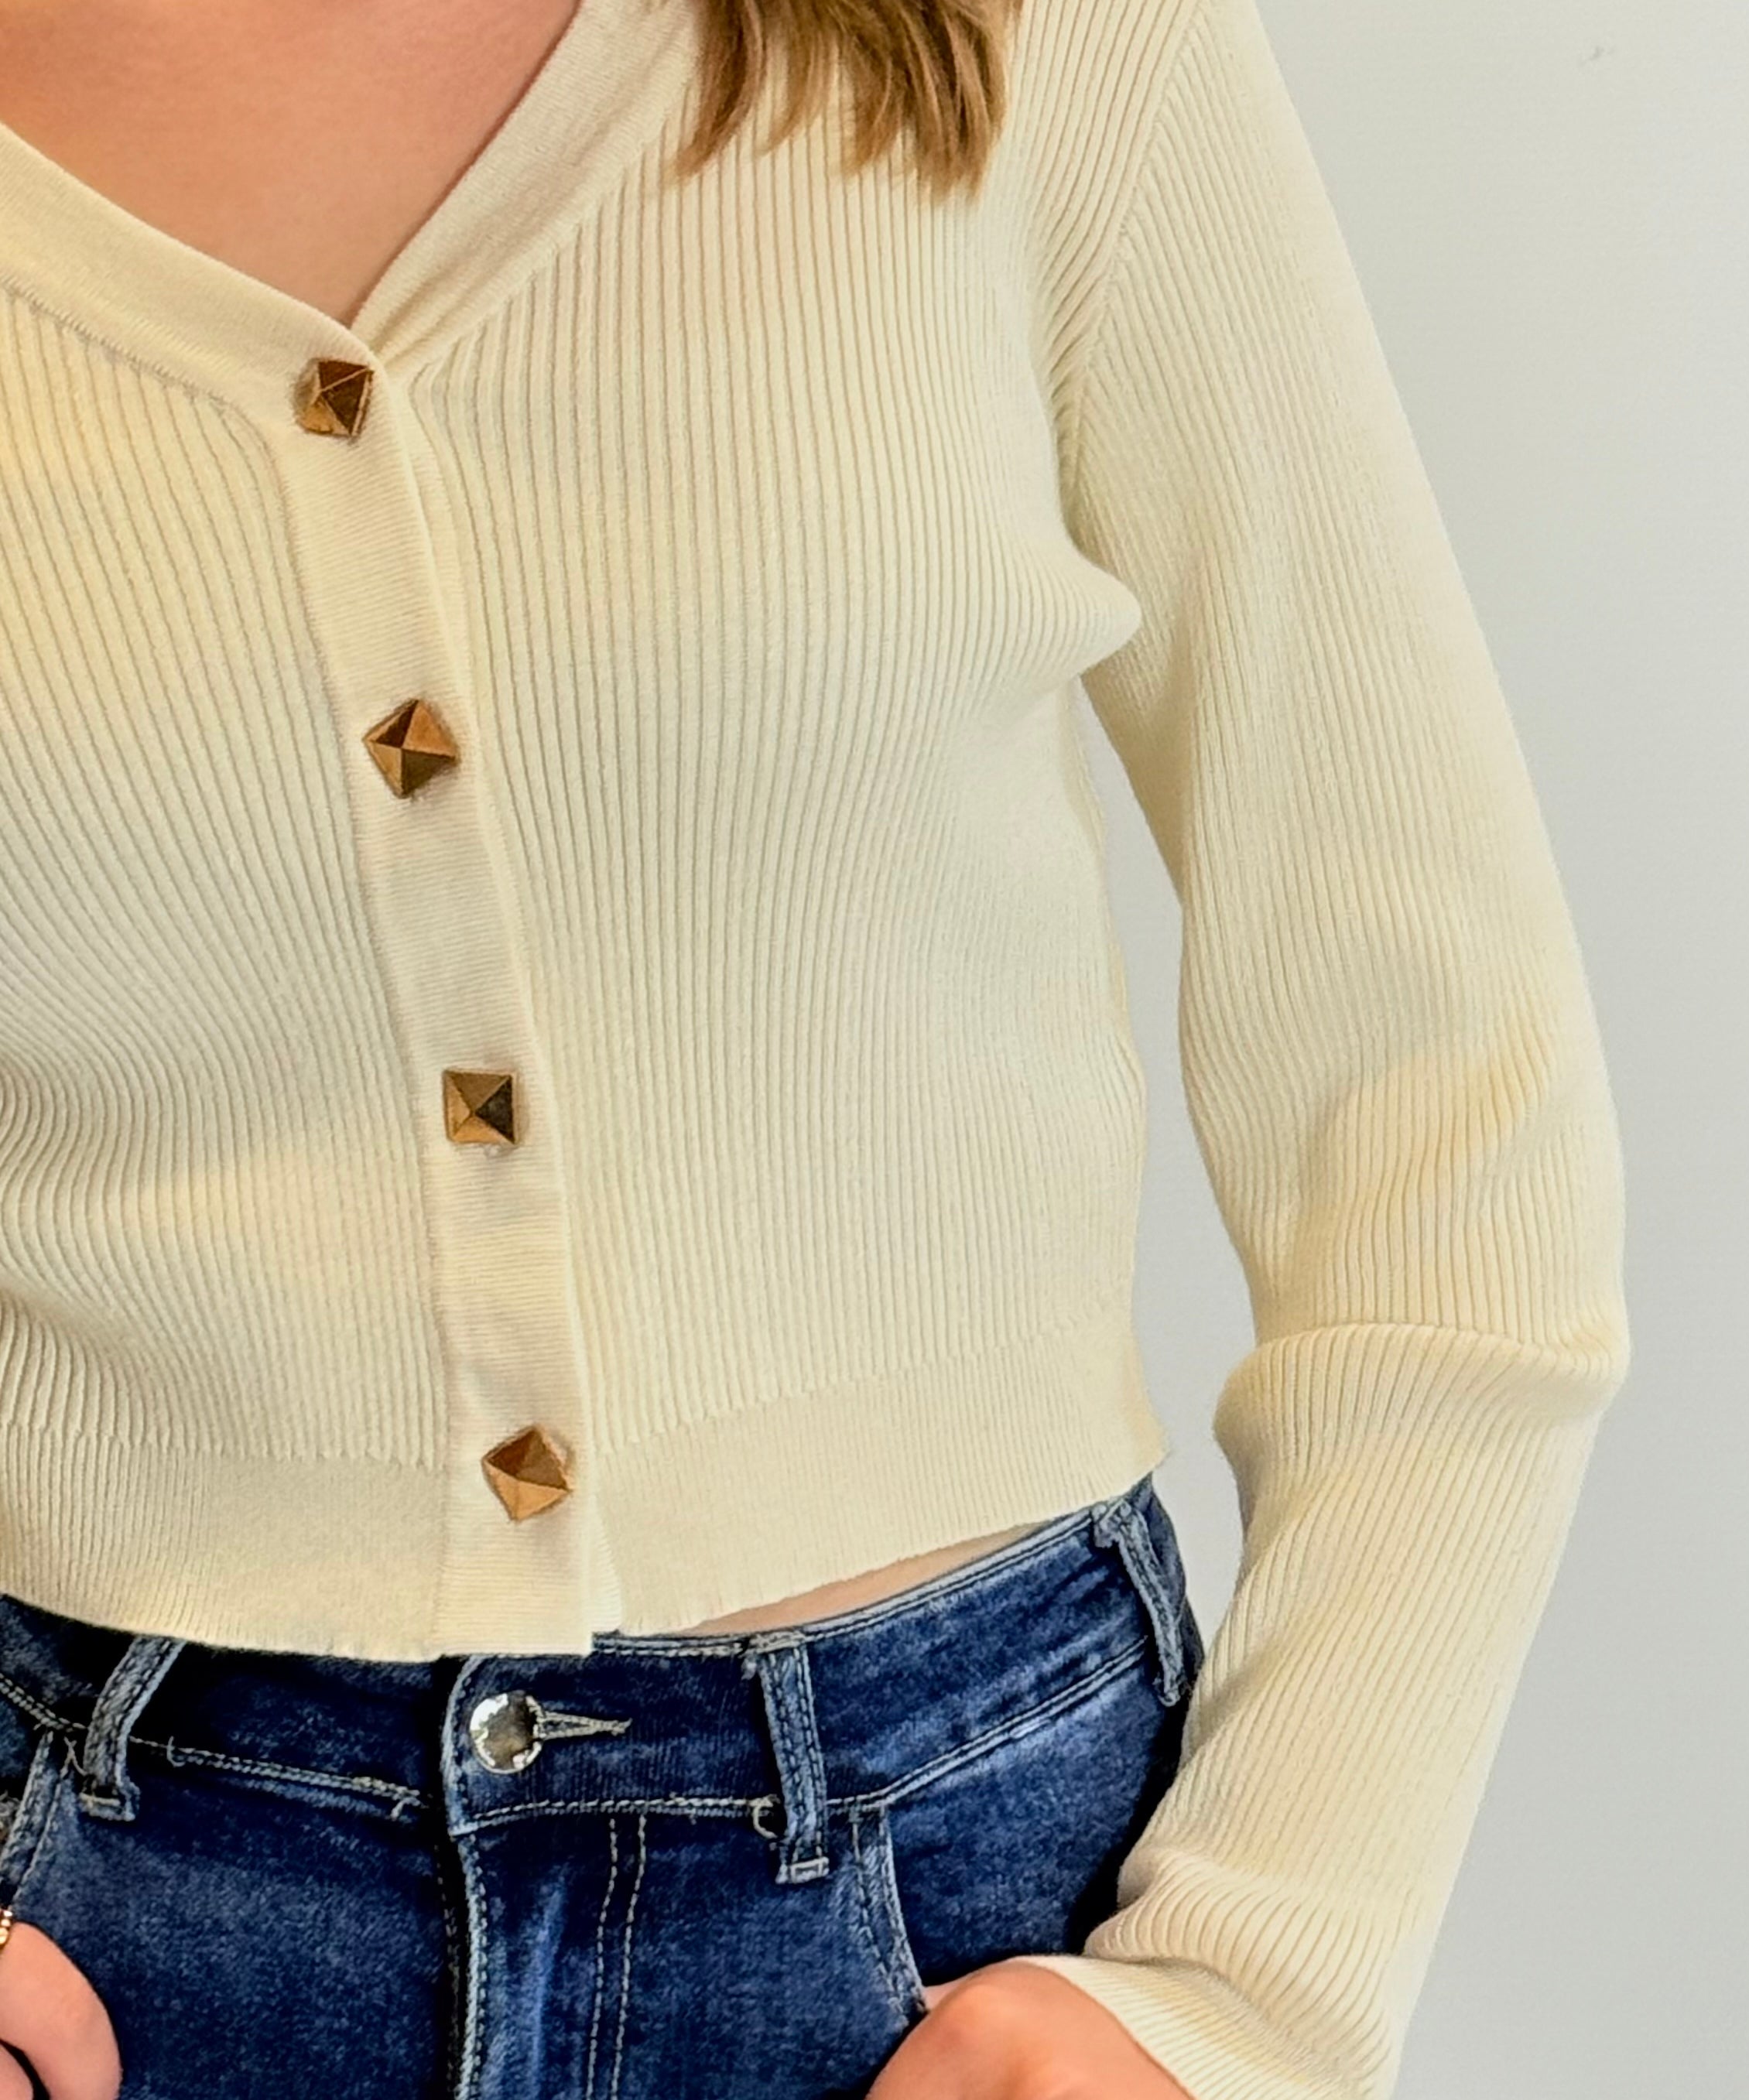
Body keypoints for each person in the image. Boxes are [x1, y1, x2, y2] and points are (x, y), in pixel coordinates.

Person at [0, 0, 1633, 2095]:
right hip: (105, 1929)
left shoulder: (1030, 41)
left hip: (973, 1919)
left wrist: (1255, 1978)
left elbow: (1429, 1058)